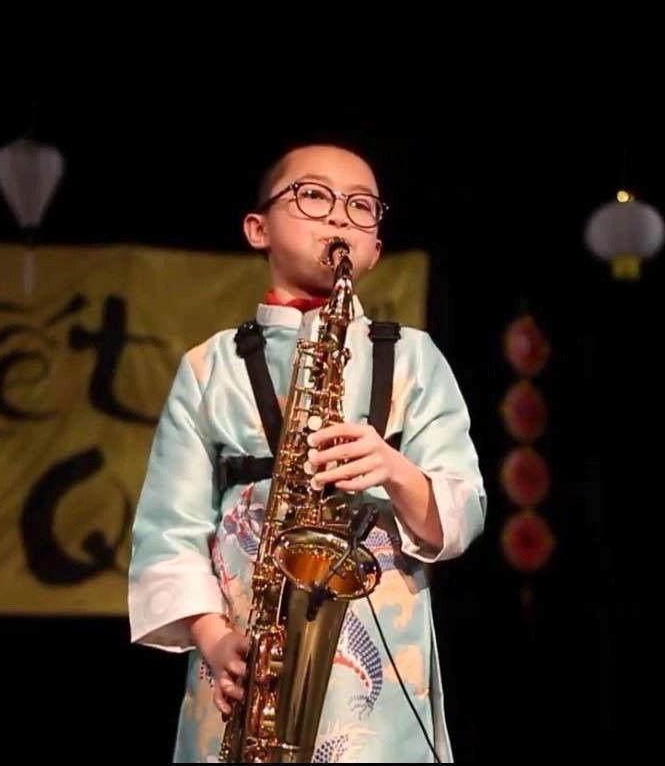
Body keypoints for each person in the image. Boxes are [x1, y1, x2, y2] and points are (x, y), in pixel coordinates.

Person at [127, 142, 487, 763]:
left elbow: (460, 514)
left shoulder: (415, 358)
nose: (340, 217)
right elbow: (168, 531)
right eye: (314, 196)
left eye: (362, 206)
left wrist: (396, 471)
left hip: (375, 680)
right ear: (257, 228)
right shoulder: (208, 367)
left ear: (375, 247)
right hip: (245, 657)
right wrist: (213, 638)